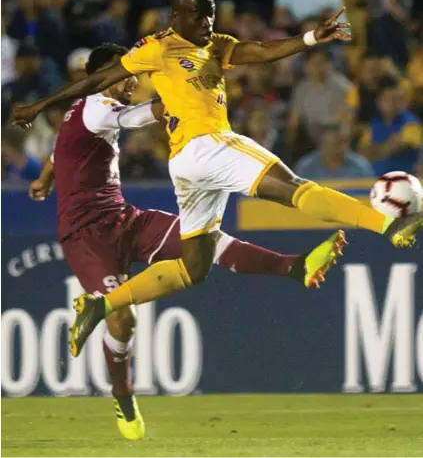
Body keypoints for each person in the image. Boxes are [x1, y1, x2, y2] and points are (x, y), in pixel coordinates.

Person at [11, 0, 423, 377]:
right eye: (198, 16)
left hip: (189, 166)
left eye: (210, 14)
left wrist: (311, 39)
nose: (208, 23)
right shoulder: (158, 47)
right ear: (177, 15)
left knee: (194, 268)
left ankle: (100, 306)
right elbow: (100, 79)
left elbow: (260, 51)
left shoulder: (216, 45)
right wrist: (39, 106)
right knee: (295, 188)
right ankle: (386, 223)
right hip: (208, 144)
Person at [30, 43, 347, 441]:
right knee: (123, 318)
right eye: (127, 73)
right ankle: (122, 394)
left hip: (122, 218)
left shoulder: (80, 115)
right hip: (87, 236)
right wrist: (183, 90)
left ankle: (293, 267)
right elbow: (143, 115)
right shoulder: (95, 105)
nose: (134, 79)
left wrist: (44, 179)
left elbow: (61, 152)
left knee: (203, 241)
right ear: (106, 75)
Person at [358, 77, 423, 176]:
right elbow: (362, 154)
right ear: (379, 102)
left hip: (403, 181)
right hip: (374, 180)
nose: (394, 103)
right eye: (389, 99)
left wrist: (375, 150)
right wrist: (387, 146)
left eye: (398, 99)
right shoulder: (374, 123)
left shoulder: (411, 123)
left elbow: (395, 148)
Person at [294, 125, 375, 180]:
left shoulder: (360, 165)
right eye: (337, 143)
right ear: (321, 145)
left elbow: (372, 193)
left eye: (345, 142)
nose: (342, 147)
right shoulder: (306, 166)